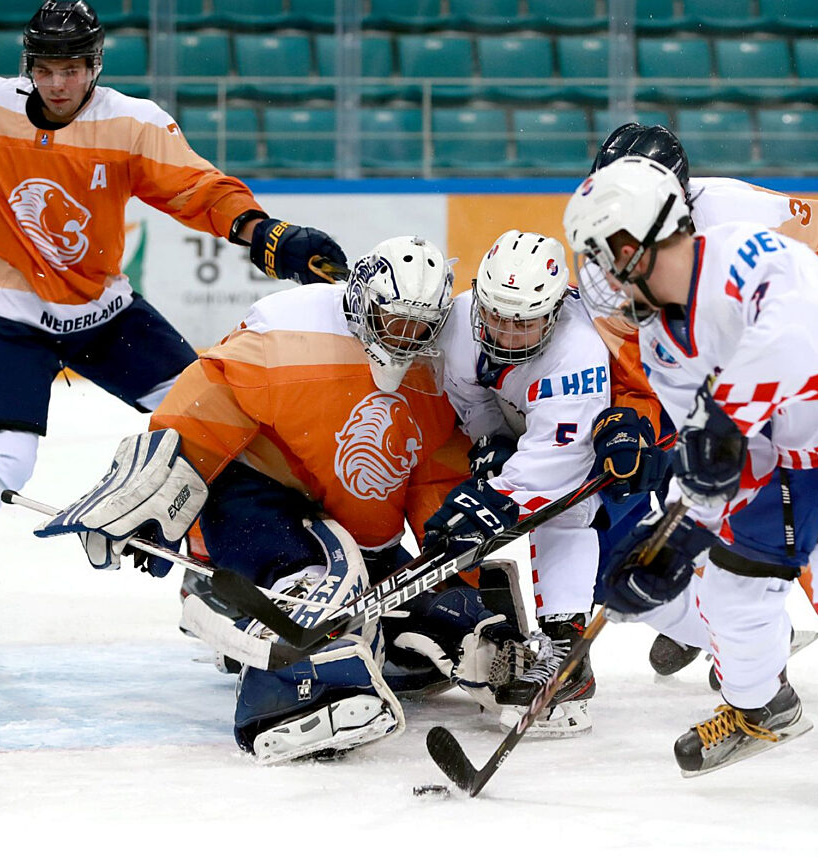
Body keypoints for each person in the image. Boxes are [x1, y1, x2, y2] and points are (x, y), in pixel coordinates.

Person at [0, 0, 346, 673]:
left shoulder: (131, 124)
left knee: (212, 422)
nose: (59, 83)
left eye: (72, 68)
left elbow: (200, 189)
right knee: (2, 459)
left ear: (94, 66)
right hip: (4, 316)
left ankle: (218, 578)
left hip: (104, 314)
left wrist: (265, 232)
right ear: (30, 67)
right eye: (47, 68)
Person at [563, 156, 818, 857]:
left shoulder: (754, 254)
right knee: (728, 583)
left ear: (639, 242)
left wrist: (725, 421)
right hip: (792, 449)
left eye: (605, 252)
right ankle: (758, 707)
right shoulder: (660, 340)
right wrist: (677, 535)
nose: (602, 272)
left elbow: (800, 341)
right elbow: (719, 455)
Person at [36, 235, 528, 763]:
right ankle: (279, 676)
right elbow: (200, 411)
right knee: (308, 582)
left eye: (420, 329)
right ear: (363, 302)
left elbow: (432, 477)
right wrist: (154, 494)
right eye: (394, 322)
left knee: (446, 607)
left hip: (351, 526)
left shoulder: (440, 371)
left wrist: (455, 568)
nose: (405, 341)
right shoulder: (290, 330)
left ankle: (453, 646)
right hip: (255, 498)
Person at [588, 122, 818, 746]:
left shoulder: (741, 219)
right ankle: (740, 651)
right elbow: (640, 364)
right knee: (708, 510)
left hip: (809, 367)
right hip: (719, 380)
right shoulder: (608, 248)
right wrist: (646, 421)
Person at [426, 228, 708, 737]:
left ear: (556, 312)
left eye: (524, 324)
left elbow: (555, 468)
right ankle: (723, 634)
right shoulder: (463, 320)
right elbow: (470, 393)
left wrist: (488, 502)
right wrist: (491, 441)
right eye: (495, 318)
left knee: (606, 557)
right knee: (614, 576)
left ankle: (736, 641)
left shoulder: (577, 351)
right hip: (556, 432)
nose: (506, 336)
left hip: (630, 440)